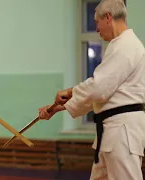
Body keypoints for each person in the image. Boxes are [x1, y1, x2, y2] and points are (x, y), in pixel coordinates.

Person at [39, 0, 145, 179]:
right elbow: (107, 95)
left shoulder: (126, 46)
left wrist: (71, 91)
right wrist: (59, 107)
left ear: (108, 18)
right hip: (111, 131)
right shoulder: (121, 45)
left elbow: (98, 88)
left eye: (97, 22)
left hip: (122, 133)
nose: (96, 28)